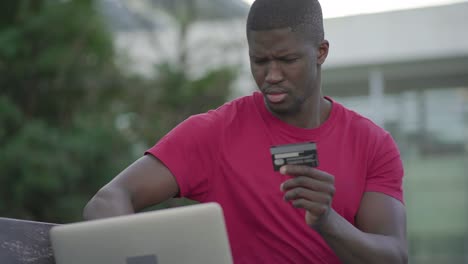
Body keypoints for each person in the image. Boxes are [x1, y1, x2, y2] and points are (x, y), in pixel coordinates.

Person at [83, 0, 408, 263]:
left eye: (287, 59)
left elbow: (394, 255)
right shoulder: (214, 133)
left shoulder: (372, 145)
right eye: (260, 60)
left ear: (321, 52)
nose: (272, 75)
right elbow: (107, 200)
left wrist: (327, 220)